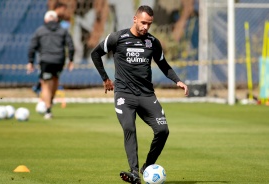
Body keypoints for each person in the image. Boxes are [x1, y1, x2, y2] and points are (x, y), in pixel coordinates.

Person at [91, 5, 188, 184]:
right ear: (135, 19)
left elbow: (163, 64)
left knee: (163, 131)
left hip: (146, 95)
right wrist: (105, 78)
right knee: (129, 128)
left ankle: (147, 167)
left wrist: (177, 81)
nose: (145, 27)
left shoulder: (153, 42)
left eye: (149, 24)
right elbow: (95, 53)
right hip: (124, 95)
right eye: (143, 22)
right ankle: (134, 172)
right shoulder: (117, 38)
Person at [27, 10, 74, 119]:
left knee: (45, 84)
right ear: (57, 19)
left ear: (45, 19)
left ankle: (48, 110)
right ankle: (50, 101)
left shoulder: (40, 30)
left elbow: (32, 47)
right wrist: (70, 60)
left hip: (45, 61)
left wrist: (30, 62)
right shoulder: (63, 31)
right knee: (55, 80)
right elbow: (70, 45)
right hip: (59, 60)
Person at [32, 2, 69, 96]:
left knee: (50, 78)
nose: (65, 11)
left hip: (50, 55)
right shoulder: (53, 22)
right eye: (64, 9)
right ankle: (40, 92)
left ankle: (41, 92)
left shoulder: (61, 23)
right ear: (59, 8)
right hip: (49, 53)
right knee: (46, 79)